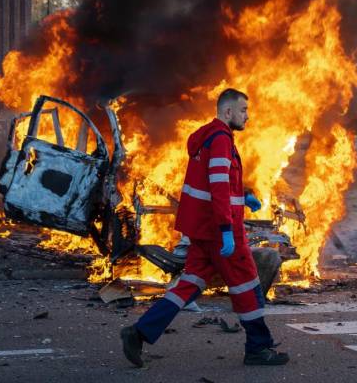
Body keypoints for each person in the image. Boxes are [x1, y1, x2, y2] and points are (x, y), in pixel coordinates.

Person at [120, 89, 288, 368]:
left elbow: (217, 183)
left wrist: (242, 196)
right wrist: (226, 229)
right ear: (228, 112)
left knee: (189, 285)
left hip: (201, 231)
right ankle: (258, 348)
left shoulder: (207, 136)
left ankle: (139, 332)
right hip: (220, 232)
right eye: (244, 110)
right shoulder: (221, 140)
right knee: (248, 285)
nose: (248, 115)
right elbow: (218, 187)